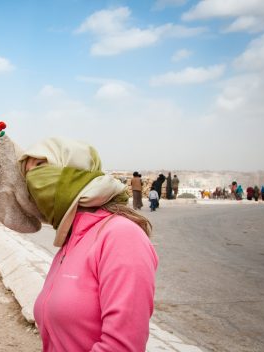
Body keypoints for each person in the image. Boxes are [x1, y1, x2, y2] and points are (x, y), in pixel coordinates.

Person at [19, 137, 158, 352]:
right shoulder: (70, 240)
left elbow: (121, 346)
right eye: (28, 174)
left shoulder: (120, 235)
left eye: (40, 166)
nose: (34, 181)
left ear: (75, 168)